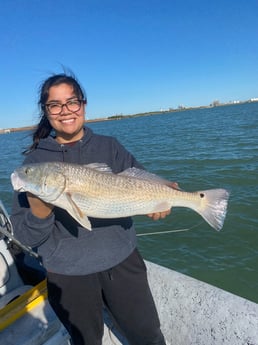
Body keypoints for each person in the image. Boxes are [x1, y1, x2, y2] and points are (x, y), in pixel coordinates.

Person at [11, 72, 173, 345]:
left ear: (83, 105)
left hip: (123, 262)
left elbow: (142, 181)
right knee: (86, 340)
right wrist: (40, 211)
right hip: (68, 275)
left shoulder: (110, 146)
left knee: (148, 335)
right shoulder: (36, 164)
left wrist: (162, 198)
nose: (65, 111)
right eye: (55, 105)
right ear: (46, 111)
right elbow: (25, 238)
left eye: (72, 102)